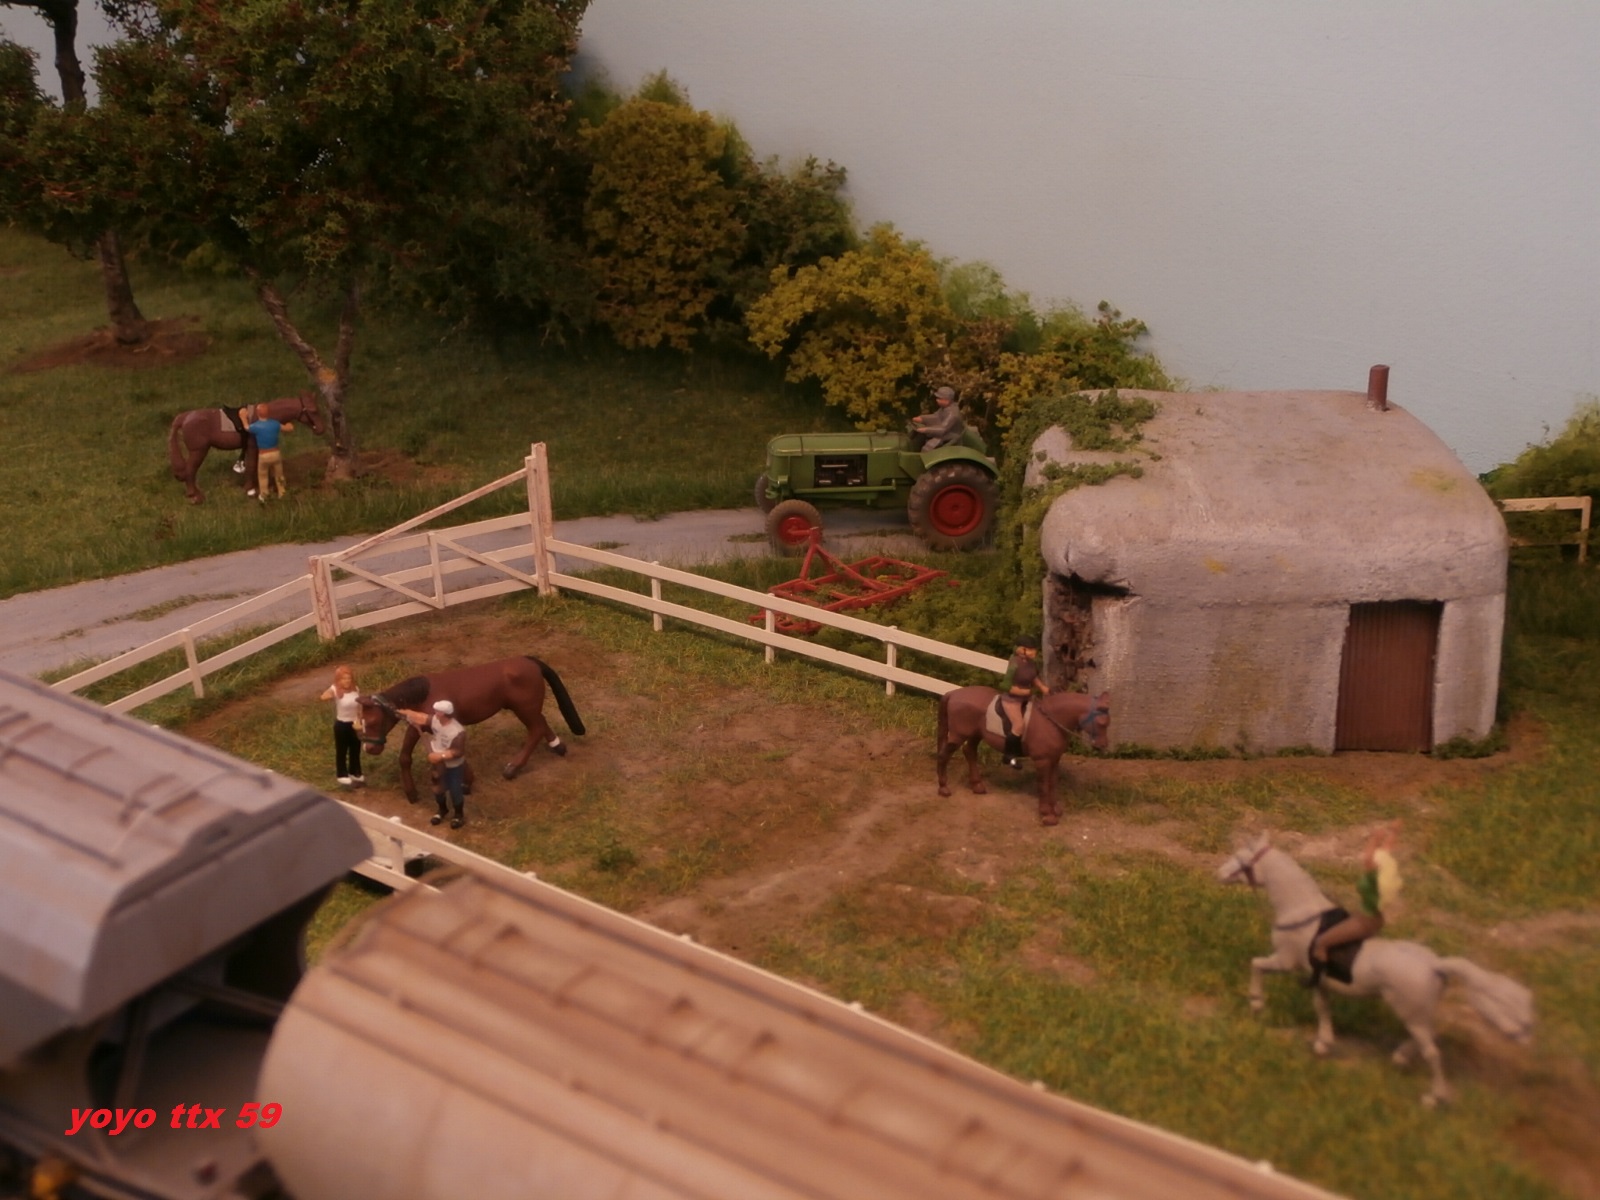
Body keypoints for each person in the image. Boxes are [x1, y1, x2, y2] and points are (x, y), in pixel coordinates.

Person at [1307, 821, 1402, 986]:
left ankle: (1317, 980)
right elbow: (1387, 850)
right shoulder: (1385, 872)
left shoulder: (1373, 878)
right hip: (1374, 918)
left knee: (1321, 943)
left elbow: (1368, 859)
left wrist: (1374, 839)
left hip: (1364, 921)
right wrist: (1393, 833)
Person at [400, 699, 468, 829]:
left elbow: (458, 752)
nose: (435, 712)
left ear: (443, 713)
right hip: (437, 764)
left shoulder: (457, 731)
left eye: (437, 711)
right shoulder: (436, 720)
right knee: (438, 788)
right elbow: (424, 718)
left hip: (452, 766)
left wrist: (440, 756)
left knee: (455, 790)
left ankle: (458, 815)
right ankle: (442, 810)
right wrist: (408, 715)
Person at [998, 634, 1049, 768]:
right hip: (1012, 699)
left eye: (1034, 649)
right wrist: (1022, 692)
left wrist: (1043, 688)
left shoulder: (1031, 663)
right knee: (1018, 725)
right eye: (1030, 649)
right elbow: (1005, 685)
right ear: (1021, 650)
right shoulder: (1014, 664)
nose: (1034, 652)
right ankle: (1009, 755)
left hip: (1028, 698)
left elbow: (1033, 678)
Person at [319, 665, 364, 787]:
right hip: (342, 724)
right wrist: (330, 693)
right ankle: (341, 773)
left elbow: (359, 706)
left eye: (349, 678)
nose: (347, 681)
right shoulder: (335, 689)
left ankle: (355, 771)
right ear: (339, 679)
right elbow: (324, 696)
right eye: (344, 678)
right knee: (342, 750)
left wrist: (360, 719)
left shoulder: (356, 689)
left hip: (354, 724)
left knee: (355, 749)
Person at [247, 408, 294, 502]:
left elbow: (246, 427)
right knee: (279, 475)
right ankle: (282, 493)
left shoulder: (256, 426)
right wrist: (290, 424)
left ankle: (264, 495)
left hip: (263, 455)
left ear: (257, 414)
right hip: (276, 453)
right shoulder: (275, 424)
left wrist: (243, 417)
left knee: (263, 476)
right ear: (268, 413)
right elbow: (288, 428)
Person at [912, 386, 967, 450]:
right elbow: (936, 416)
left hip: (950, 435)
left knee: (929, 446)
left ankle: (925, 454)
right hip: (944, 431)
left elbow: (942, 429)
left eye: (940, 398)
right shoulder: (945, 408)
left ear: (947, 400)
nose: (937, 400)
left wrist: (926, 430)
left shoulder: (952, 413)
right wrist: (922, 419)